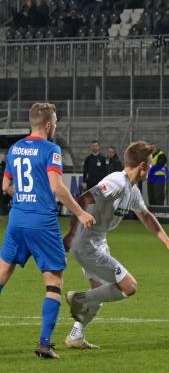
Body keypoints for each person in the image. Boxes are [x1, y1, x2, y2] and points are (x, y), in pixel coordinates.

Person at [63, 141, 169, 350]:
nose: (152, 167)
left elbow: (145, 216)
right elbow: (84, 198)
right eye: (150, 163)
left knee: (101, 295)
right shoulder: (116, 182)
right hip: (87, 243)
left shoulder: (131, 189)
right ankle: (78, 298)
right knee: (129, 286)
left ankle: (76, 336)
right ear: (143, 166)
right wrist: (71, 234)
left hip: (98, 241)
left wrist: (168, 242)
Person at [0, 103, 95, 359]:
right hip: (42, 222)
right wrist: (80, 212)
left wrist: (21, 194)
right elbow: (57, 187)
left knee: (1, 276)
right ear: (50, 125)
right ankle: (44, 343)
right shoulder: (52, 150)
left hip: (17, 220)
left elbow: (6, 185)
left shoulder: (15, 148)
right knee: (53, 282)